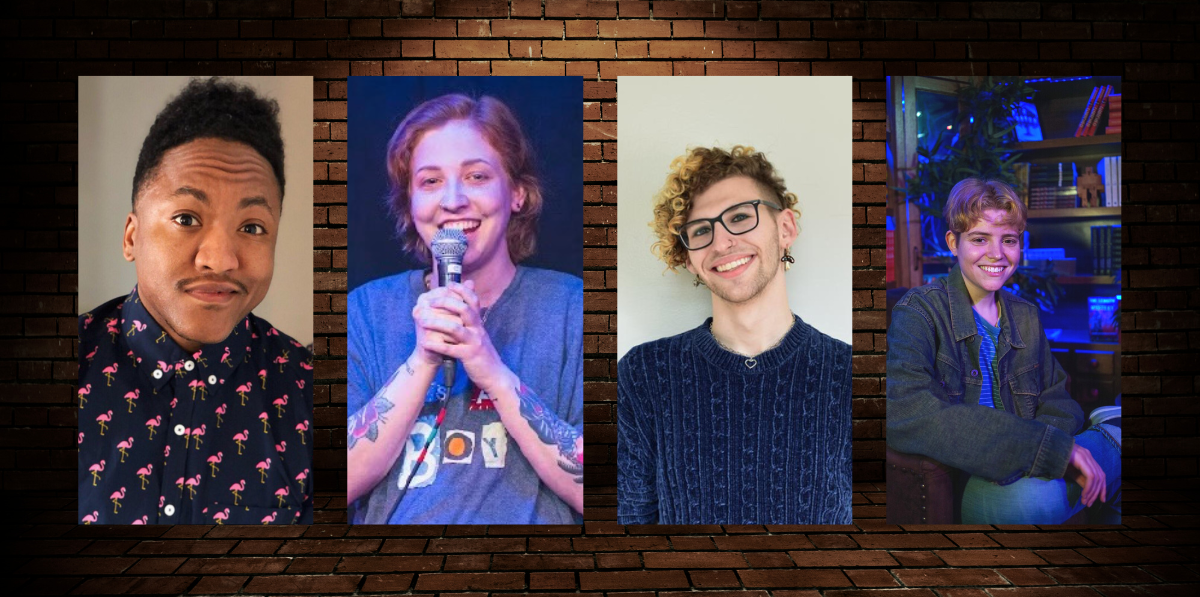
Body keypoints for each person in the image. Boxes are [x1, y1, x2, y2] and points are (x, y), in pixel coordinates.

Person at [78, 77, 313, 525]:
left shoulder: (310, 393)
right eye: (187, 218)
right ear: (132, 236)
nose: (220, 260)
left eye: (253, 227)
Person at [347, 94, 583, 524]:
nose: (452, 200)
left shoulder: (573, 307)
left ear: (517, 193)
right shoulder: (364, 310)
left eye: (476, 176)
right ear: (411, 203)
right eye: (430, 181)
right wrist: (422, 360)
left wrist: (488, 368)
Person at [618, 146, 853, 525]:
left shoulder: (849, 373)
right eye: (700, 230)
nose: (721, 242)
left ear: (786, 228)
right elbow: (631, 524)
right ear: (689, 257)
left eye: (741, 217)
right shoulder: (645, 374)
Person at [887, 178, 1121, 524]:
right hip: (976, 475)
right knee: (1040, 500)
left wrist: (1048, 457)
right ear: (953, 242)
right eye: (979, 239)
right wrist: (1050, 451)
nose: (996, 254)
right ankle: (1110, 431)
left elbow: (1058, 399)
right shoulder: (919, 312)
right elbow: (905, 411)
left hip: (1028, 466)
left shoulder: (1024, 314)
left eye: (1008, 240)